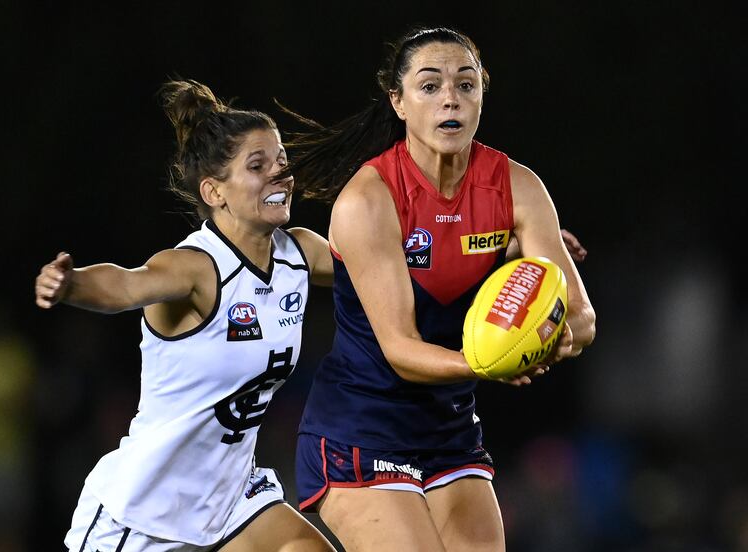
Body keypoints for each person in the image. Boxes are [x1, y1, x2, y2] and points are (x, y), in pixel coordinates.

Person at [283, 27, 597, 552]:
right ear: (399, 103)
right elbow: (401, 351)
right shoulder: (368, 198)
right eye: (430, 86)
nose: (450, 96)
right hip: (360, 429)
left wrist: (550, 335)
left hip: (449, 431)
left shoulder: (517, 185)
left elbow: (580, 315)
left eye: (466, 84)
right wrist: (494, 359)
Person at [35, 79, 336, 552]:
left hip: (232, 497)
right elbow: (127, 283)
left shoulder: (301, 253)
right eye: (258, 166)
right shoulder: (197, 266)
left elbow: (385, 272)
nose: (280, 174)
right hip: (147, 512)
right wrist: (70, 284)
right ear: (214, 191)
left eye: (281, 161)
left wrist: (474, 244)